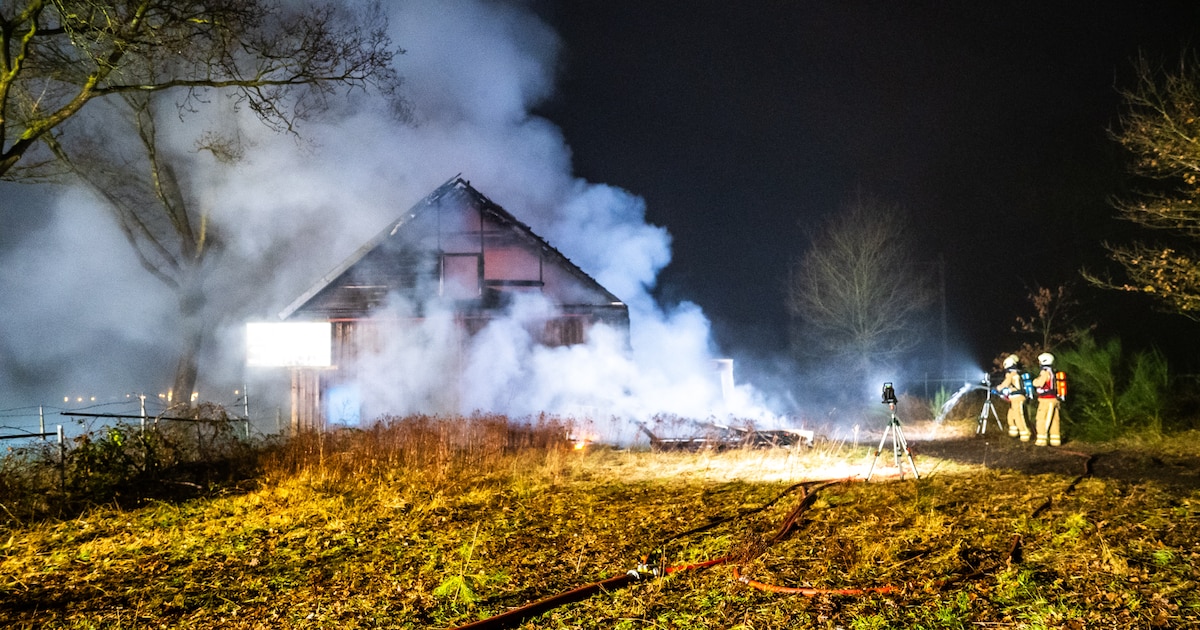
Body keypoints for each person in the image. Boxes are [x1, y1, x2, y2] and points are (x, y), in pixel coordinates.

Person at [996, 354, 1030, 441]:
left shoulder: (1011, 374)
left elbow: (1005, 383)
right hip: (1014, 399)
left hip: (1018, 398)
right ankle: (1014, 433)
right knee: (1011, 416)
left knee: (1018, 416)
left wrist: (998, 388)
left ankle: (1025, 433)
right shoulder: (1016, 373)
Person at [1032, 352, 1061, 446]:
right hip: (1054, 399)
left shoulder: (1045, 372)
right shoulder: (1052, 371)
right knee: (1054, 420)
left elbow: (1040, 383)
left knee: (1042, 419)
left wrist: (1034, 381)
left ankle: (1041, 440)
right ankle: (1055, 440)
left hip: (1046, 400)